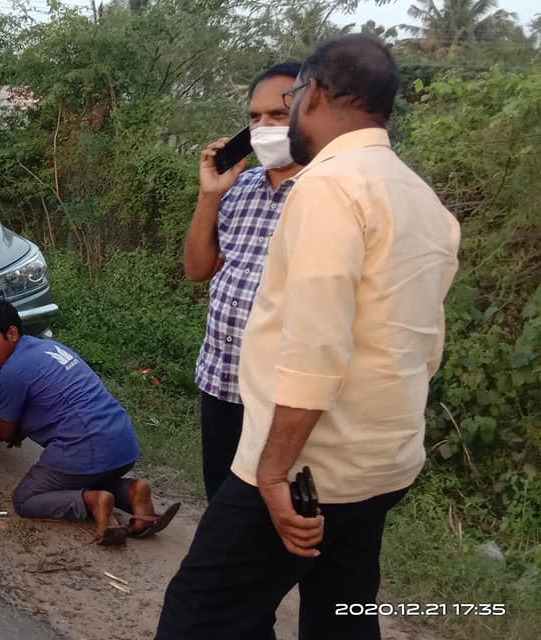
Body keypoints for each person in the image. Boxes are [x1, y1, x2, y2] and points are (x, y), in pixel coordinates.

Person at [155, 35, 461, 640]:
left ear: (312, 94)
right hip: (380, 468)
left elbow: (315, 350)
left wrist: (273, 474)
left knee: (199, 615)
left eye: (287, 103)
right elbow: (422, 349)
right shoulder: (421, 199)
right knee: (343, 612)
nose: (277, 120)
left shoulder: (327, 187)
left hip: (304, 471)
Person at [184, 61, 305, 502]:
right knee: (220, 497)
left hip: (281, 393)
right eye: (255, 118)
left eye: (278, 116)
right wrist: (209, 194)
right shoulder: (241, 186)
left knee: (274, 508)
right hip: (221, 377)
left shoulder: (325, 193)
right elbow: (198, 269)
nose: (264, 127)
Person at [0, 301, 181, 546]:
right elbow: (52, 403)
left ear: (12, 333)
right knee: (86, 475)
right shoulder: (50, 348)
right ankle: (133, 492)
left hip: (86, 447)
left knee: (25, 499)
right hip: (124, 444)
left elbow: (4, 430)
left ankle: (93, 502)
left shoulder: (13, 369)